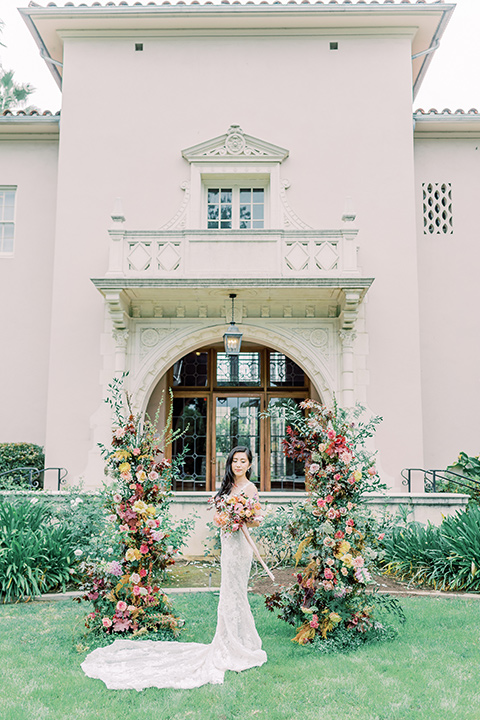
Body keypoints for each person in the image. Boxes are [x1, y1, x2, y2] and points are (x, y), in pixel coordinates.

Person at [81, 446, 267, 690]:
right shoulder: (226, 488)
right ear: (230, 463)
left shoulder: (250, 488)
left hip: (241, 548)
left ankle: (242, 642)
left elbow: (257, 518)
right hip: (228, 546)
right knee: (228, 592)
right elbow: (218, 517)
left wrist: (242, 518)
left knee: (237, 592)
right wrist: (226, 518)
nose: (238, 465)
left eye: (243, 461)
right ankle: (228, 640)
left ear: (250, 465)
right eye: (235, 461)